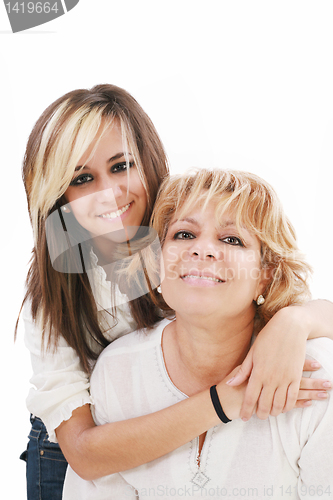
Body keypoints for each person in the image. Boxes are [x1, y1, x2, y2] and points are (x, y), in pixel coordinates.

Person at [18, 85, 333, 500]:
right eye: (81, 179)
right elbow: (85, 454)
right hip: (81, 442)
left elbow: (292, 298)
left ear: (147, 163)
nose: (108, 193)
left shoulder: (192, 225)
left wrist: (295, 320)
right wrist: (223, 403)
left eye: (121, 166)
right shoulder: (59, 296)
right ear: (61, 197)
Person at [62, 169, 333, 500]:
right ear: (158, 261)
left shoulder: (316, 375)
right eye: (184, 235)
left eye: (232, 239)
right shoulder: (117, 371)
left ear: (266, 275)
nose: (203, 250)